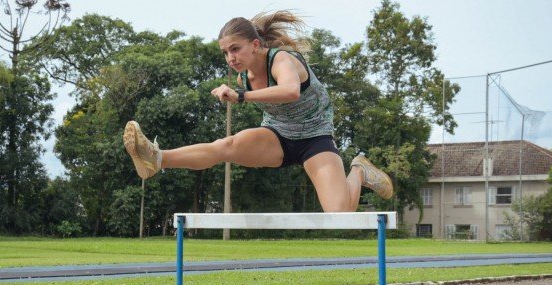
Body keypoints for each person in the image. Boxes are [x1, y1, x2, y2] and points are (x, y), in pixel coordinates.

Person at [123, 11, 393, 212]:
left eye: (235, 49)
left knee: (339, 213)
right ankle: (156, 158)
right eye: (226, 52)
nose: (231, 58)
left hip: (315, 138)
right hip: (277, 136)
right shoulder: (245, 78)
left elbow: (290, 91)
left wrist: (241, 96)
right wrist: (243, 92)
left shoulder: (281, 60)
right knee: (226, 145)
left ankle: (358, 170)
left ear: (255, 45)